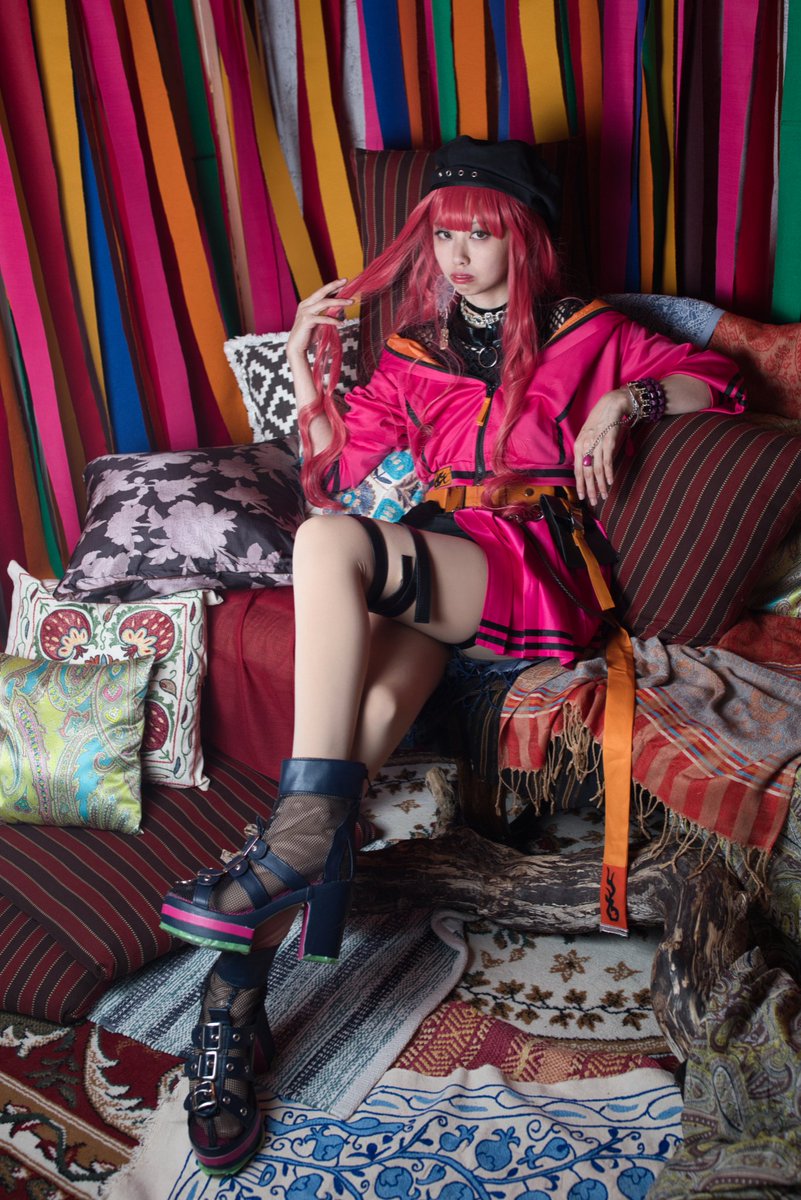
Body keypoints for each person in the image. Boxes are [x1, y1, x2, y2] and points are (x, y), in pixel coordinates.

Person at [160, 137, 745, 1175]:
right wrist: (303, 368)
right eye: (442, 234)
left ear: (524, 237)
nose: (459, 253)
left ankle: (284, 866)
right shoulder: (414, 351)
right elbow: (339, 475)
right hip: (433, 571)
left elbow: (719, 382)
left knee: (327, 549)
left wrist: (628, 401)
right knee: (355, 732)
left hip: (525, 567)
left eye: (480, 231)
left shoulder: (591, 333)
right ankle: (232, 995)